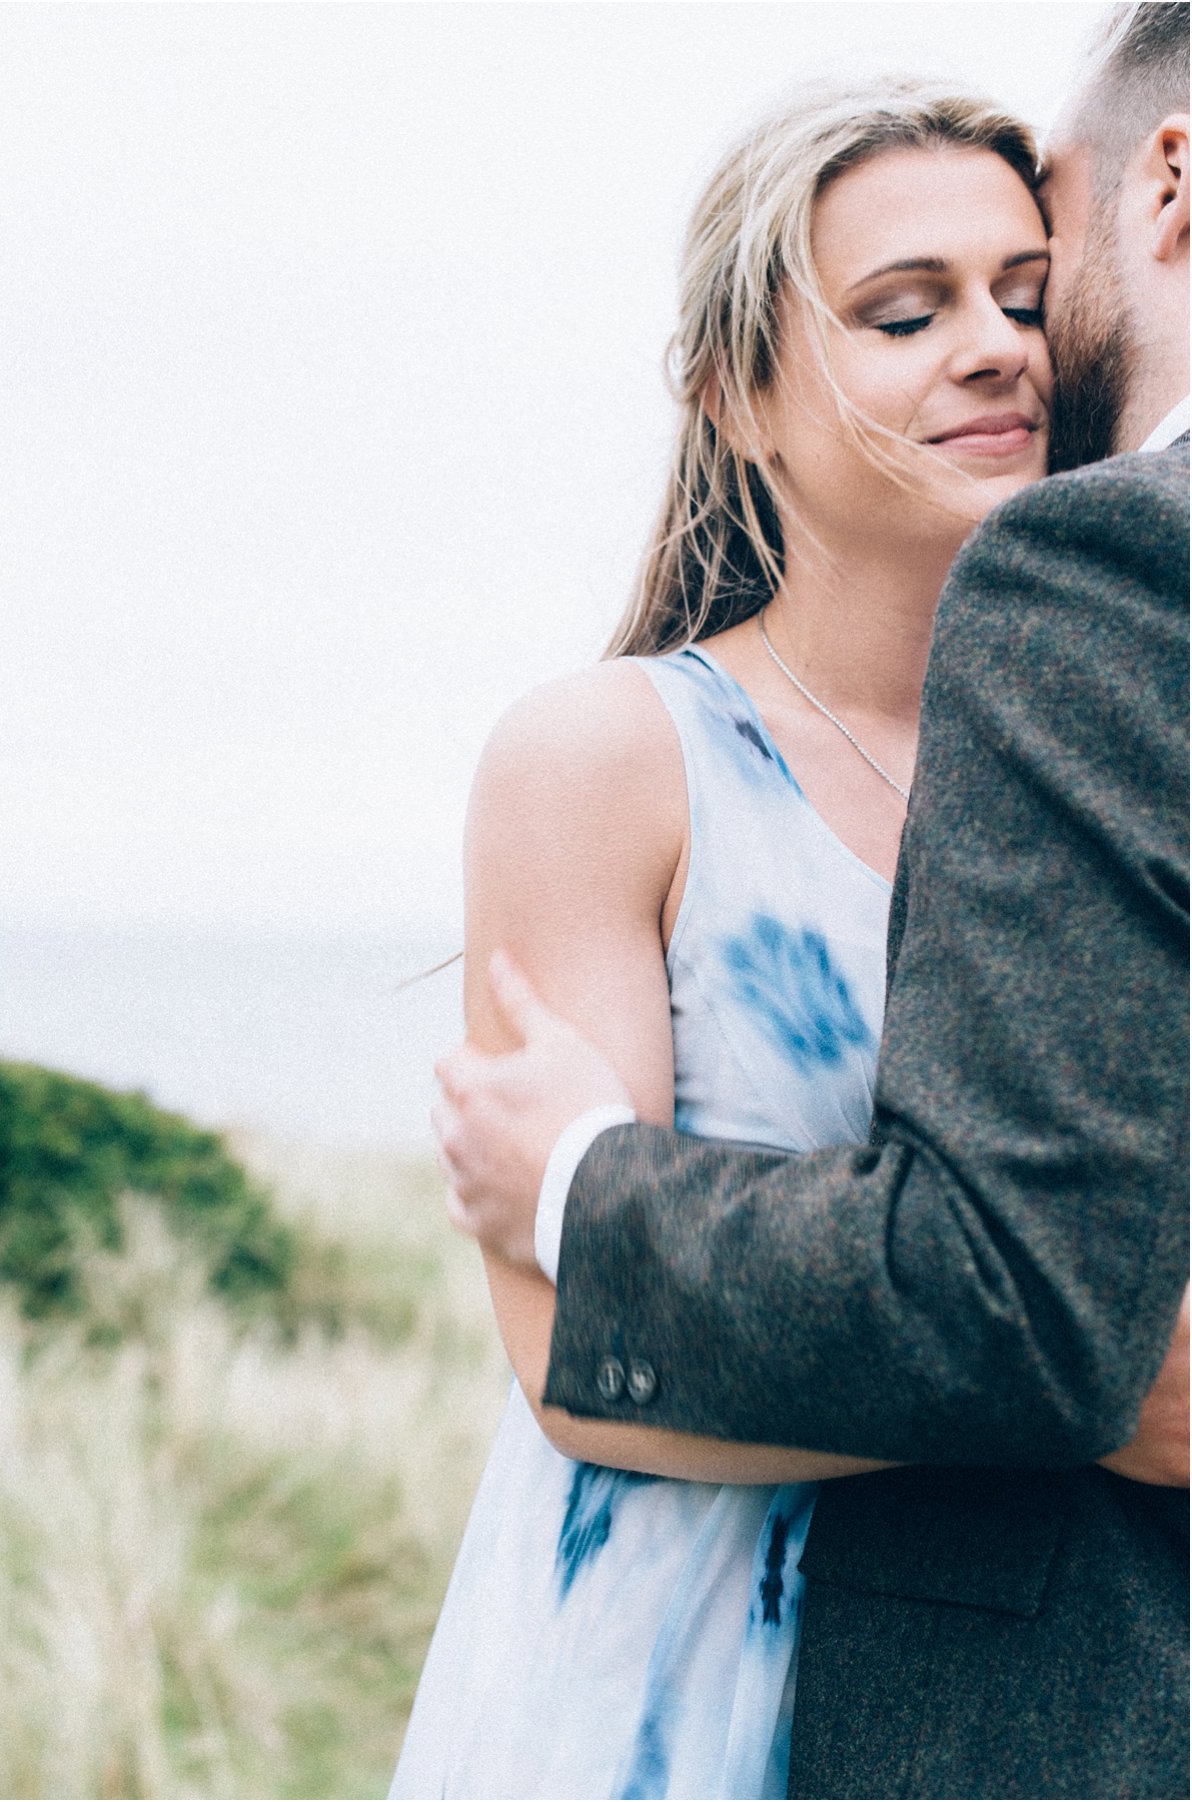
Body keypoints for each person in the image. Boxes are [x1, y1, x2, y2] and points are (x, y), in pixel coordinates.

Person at [433, 5, 1190, 1799]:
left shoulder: (1114, 724)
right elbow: (577, 1364)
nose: (1000, 348)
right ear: (737, 391)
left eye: (1026, 288)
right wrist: (1093, 1388)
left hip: (1047, 1685)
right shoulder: (606, 758)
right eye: (906, 311)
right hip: (679, 1664)